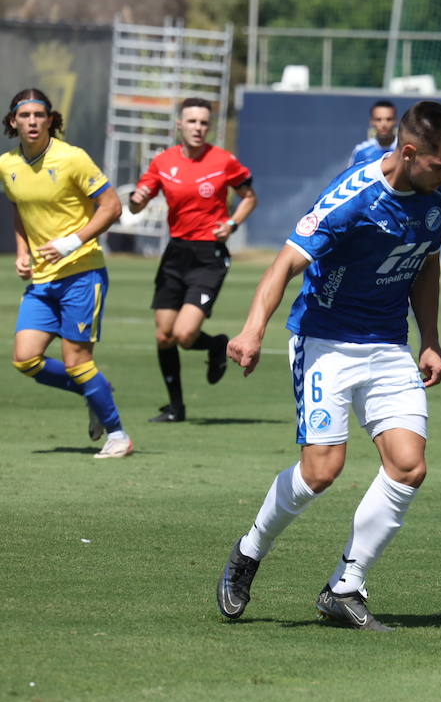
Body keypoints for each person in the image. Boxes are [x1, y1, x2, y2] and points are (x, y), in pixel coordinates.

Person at [215, 100, 441, 631]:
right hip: (324, 341)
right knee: (321, 472)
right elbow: (284, 262)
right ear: (409, 152)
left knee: (409, 466)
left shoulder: (439, 197)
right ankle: (249, 550)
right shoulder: (351, 200)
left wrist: (432, 339)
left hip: (387, 346)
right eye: (440, 165)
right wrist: (253, 330)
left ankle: (344, 587)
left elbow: (425, 261)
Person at [3, 87, 133, 458]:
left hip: (82, 274)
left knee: (78, 361)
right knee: (25, 359)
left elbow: (111, 207)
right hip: (43, 279)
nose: (32, 122)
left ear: (50, 120)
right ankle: (97, 390)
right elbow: (19, 209)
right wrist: (23, 251)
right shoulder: (7, 164)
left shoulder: (72, 158)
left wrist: (72, 241)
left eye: (39, 115)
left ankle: (118, 436)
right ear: (13, 121)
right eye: (24, 116)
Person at [129, 97, 257, 422]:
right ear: (179, 125)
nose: (198, 128)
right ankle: (176, 407)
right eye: (192, 121)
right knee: (163, 335)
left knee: (185, 335)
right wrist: (138, 199)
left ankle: (216, 345)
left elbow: (249, 197)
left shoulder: (224, 160)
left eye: (204, 122)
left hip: (208, 257)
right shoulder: (163, 162)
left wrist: (231, 223)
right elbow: (135, 205)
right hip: (175, 254)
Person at [347, 100, 398, 167]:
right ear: (372, 122)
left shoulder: (405, 149)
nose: (384, 124)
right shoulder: (361, 151)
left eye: (389, 119)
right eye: (378, 119)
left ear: (396, 121)